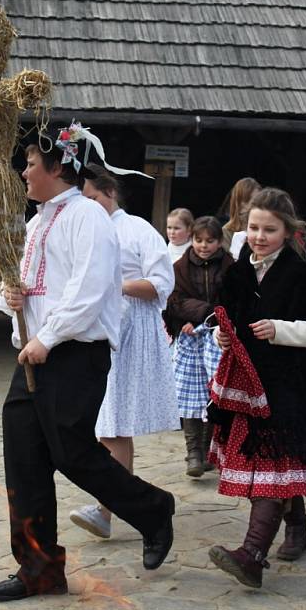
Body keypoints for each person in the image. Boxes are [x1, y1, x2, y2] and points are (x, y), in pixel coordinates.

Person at [0, 128, 175, 603]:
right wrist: (8, 298)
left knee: (71, 451)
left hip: (74, 353)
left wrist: (48, 338)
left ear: (57, 168)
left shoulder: (88, 216)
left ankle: (154, 509)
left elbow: (90, 291)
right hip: (34, 354)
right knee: (24, 461)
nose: (24, 171)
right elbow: (21, 287)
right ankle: (39, 570)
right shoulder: (34, 225)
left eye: (32, 163)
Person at [208, 188, 306, 589]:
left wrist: (280, 330)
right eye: (253, 228)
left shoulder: (300, 274)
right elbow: (226, 319)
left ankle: (251, 555)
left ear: (288, 232)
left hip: (287, 389)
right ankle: (297, 529)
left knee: (269, 468)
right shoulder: (237, 273)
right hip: (245, 387)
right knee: (271, 468)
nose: (259, 236)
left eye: (269, 229)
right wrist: (223, 337)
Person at [69, 168, 180, 539]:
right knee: (106, 423)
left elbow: (161, 283)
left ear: (110, 192)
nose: (88, 206)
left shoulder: (137, 230)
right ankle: (115, 504)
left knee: (112, 423)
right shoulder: (84, 230)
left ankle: (108, 508)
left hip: (129, 334)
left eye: (93, 198)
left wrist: (113, 285)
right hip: (97, 331)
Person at [165, 216, 233, 477]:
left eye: (210, 240)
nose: (204, 245)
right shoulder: (180, 267)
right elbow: (174, 300)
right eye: (199, 240)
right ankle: (193, 452)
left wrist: (212, 318)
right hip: (190, 336)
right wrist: (193, 317)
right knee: (189, 394)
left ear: (219, 241)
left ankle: (208, 451)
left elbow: (233, 298)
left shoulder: (231, 267)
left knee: (216, 392)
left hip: (220, 335)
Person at [221, 177, 261, 258]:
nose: (256, 205)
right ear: (239, 203)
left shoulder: (263, 227)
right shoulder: (227, 231)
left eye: (259, 200)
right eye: (252, 201)